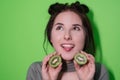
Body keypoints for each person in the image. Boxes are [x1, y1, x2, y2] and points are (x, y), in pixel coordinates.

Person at [26, 1, 109, 80]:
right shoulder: (36, 71)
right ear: (50, 36)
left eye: (76, 28)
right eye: (60, 28)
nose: (67, 36)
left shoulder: (99, 71)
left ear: (85, 36)